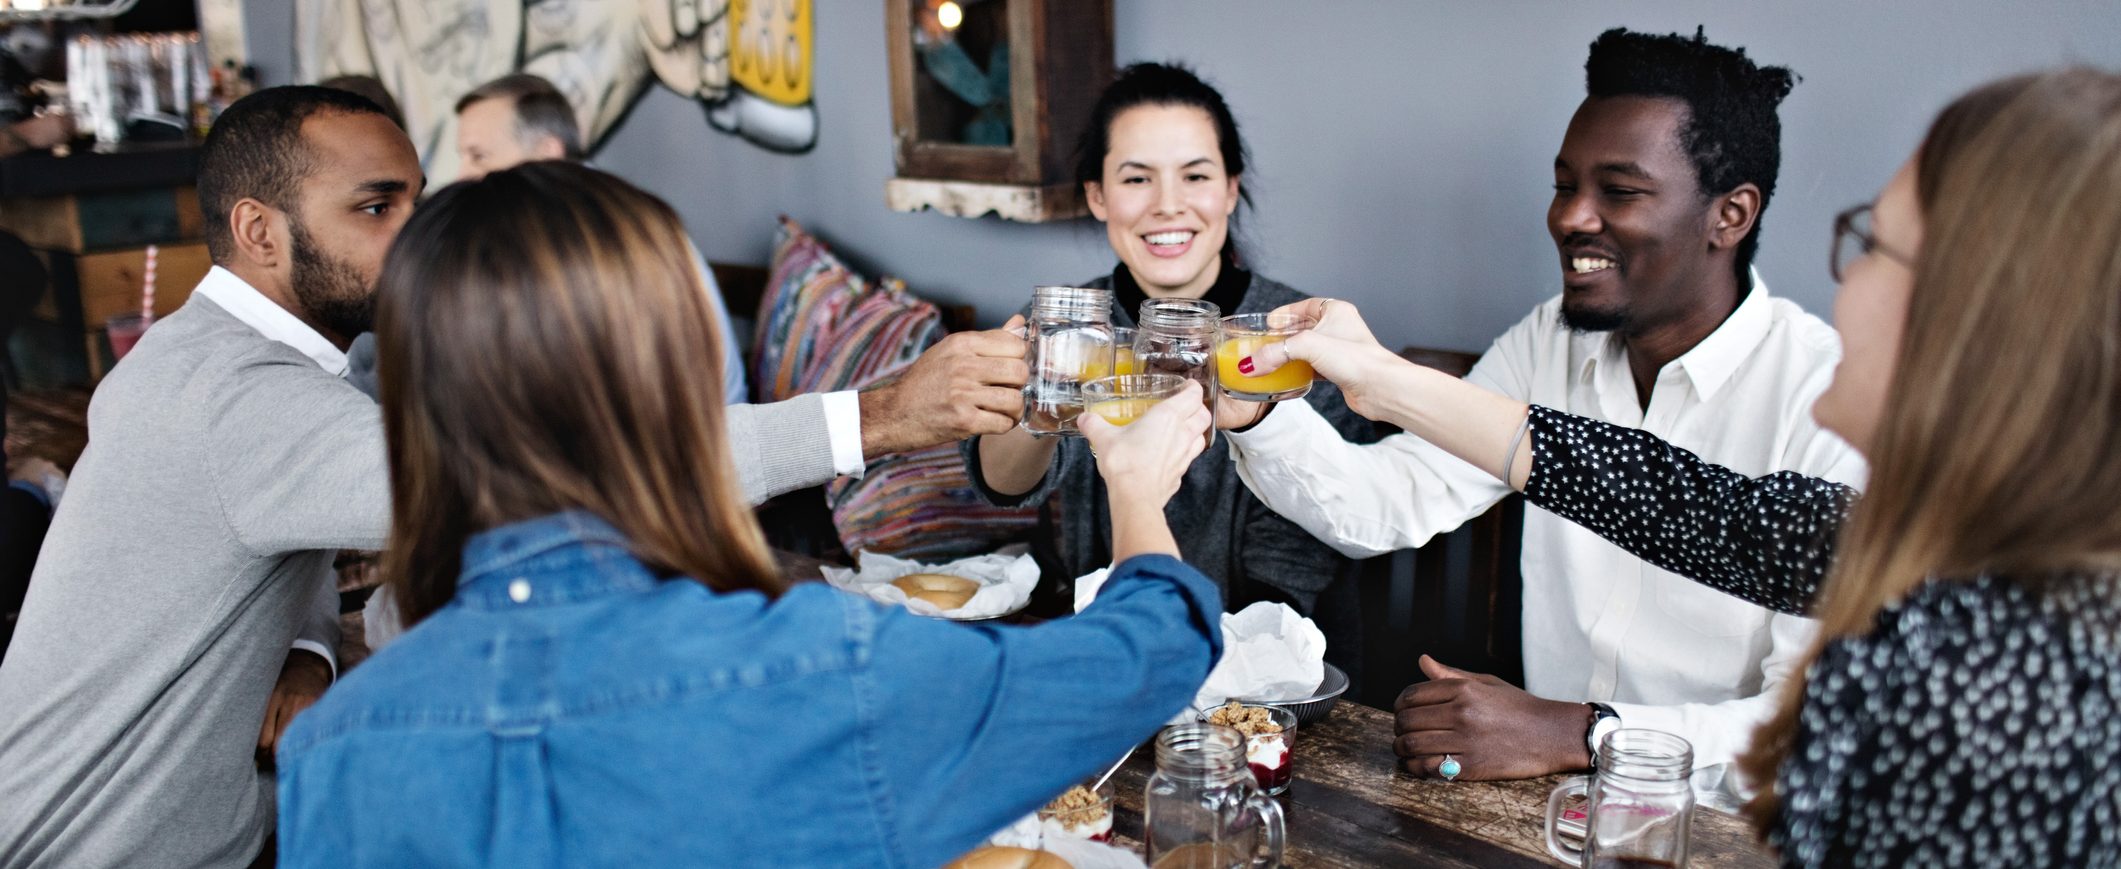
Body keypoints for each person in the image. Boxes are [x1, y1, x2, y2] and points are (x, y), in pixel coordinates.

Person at [0, 86, 1026, 869]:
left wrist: (306, 647)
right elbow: (559, 477)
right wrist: (881, 414)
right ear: (260, 231)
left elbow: (279, 517)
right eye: (376, 207)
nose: (417, 233)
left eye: (417, 198)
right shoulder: (239, 397)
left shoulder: (217, 361)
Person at [1244, 67, 2121, 868]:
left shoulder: (1990, 678)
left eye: (1869, 247)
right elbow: (1675, 500)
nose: (1842, 284)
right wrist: (1352, 383)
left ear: (1976, 312)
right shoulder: (1878, 544)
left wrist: (1587, 734)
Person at [273, 161, 1224, 868]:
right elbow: (1146, 654)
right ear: (678, 374)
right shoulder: (826, 668)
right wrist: (1135, 483)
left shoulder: (336, 748)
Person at [1220, 28, 1864, 799]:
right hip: (1538, 806)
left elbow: (1806, 718)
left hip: (1720, 824)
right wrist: (1254, 413)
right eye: (1564, 186)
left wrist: (1577, 732)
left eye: (1618, 190)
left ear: (1729, 214)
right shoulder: (1547, 341)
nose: (1570, 217)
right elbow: (1386, 501)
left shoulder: (1827, 399)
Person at [963, 62, 1374, 665]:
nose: (1167, 205)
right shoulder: (1070, 324)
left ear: (1230, 189)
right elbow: (1004, 485)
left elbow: (1299, 567)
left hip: (1267, 666)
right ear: (1097, 196)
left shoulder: (1300, 339)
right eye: (1137, 179)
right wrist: (1037, 393)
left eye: (1195, 175)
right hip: (1100, 641)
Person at [346, 71, 749, 403]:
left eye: (479, 156)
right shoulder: (577, 218)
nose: (462, 175)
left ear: (547, 154)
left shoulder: (601, 235)